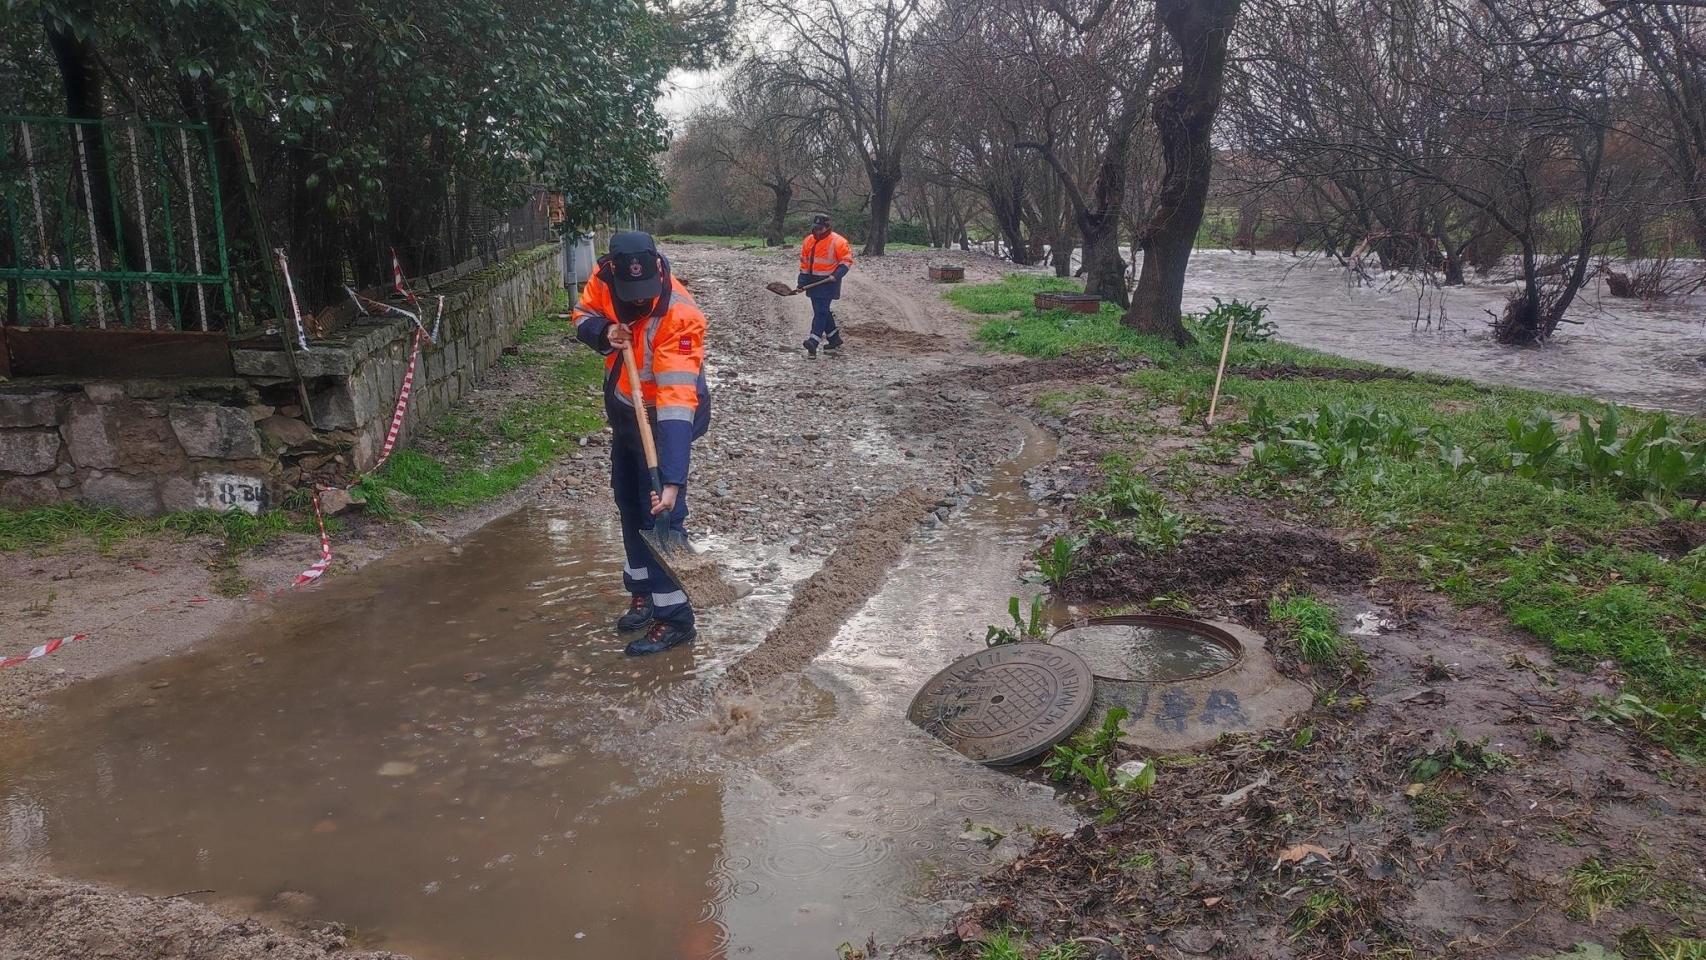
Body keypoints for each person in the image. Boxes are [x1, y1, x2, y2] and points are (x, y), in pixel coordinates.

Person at [568, 231, 710, 656]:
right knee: (628, 503)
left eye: (644, 293)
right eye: (630, 294)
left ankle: (676, 620)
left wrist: (671, 478)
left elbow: (676, 402)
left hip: (667, 419)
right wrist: (604, 330)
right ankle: (644, 594)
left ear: (658, 270)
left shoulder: (680, 316)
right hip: (628, 414)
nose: (638, 301)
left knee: (662, 513)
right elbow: (581, 315)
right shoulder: (603, 277)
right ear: (613, 271)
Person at [797, 213, 854, 358]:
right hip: (813, 282)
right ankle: (834, 339)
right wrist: (801, 283)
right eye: (815, 228)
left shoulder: (838, 241)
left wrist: (836, 275)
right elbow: (804, 264)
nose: (817, 231)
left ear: (827, 227)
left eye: (820, 229)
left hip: (828, 282)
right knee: (822, 310)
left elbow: (846, 261)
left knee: (821, 311)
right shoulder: (808, 241)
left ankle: (813, 341)